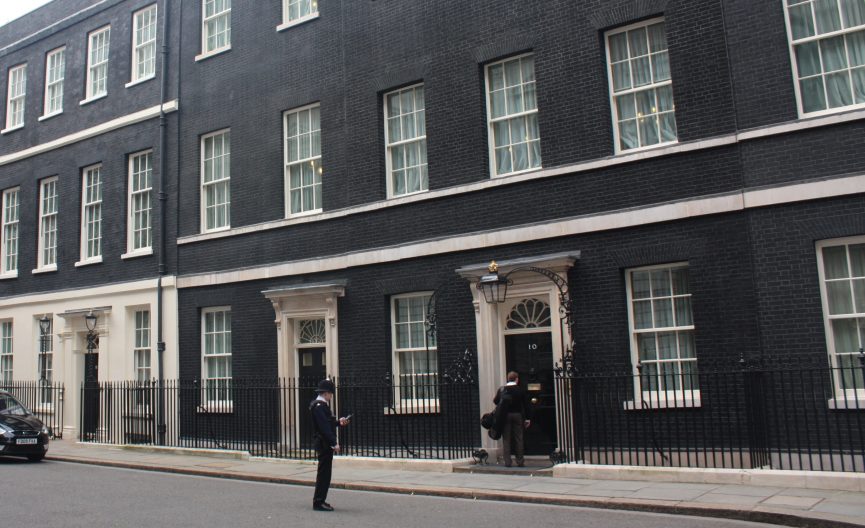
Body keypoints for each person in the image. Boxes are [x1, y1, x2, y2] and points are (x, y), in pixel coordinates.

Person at [309, 379, 350, 512]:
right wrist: (334, 443)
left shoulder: (320, 406)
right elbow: (324, 427)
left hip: (324, 443)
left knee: (325, 473)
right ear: (326, 393)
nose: (331, 396)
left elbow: (328, 423)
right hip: (324, 444)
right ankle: (319, 502)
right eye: (331, 394)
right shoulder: (319, 406)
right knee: (324, 474)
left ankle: (321, 500)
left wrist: (339, 422)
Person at [493, 371, 531, 467]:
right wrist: (528, 418)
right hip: (517, 415)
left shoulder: (502, 390)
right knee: (519, 438)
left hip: (505, 416)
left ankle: (507, 462)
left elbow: (495, 401)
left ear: (508, 378)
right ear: (517, 379)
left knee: (506, 439)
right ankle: (520, 461)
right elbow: (526, 405)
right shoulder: (520, 390)